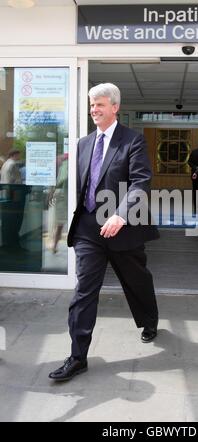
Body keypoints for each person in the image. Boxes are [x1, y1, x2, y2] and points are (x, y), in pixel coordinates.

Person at [49, 83, 159, 382]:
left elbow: (140, 182)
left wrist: (120, 215)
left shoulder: (132, 141)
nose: (94, 109)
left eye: (99, 104)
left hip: (123, 229)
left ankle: (150, 321)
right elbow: (83, 184)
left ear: (115, 107)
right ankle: (77, 357)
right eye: (91, 104)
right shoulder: (84, 144)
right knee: (84, 291)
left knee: (137, 281)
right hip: (88, 229)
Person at [0, 149, 27, 250]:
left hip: (7, 196)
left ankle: (8, 243)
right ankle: (14, 245)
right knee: (15, 221)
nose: (19, 157)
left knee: (8, 222)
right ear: (14, 155)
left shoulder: (6, 163)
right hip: (13, 197)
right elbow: (15, 181)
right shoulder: (12, 164)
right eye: (18, 155)